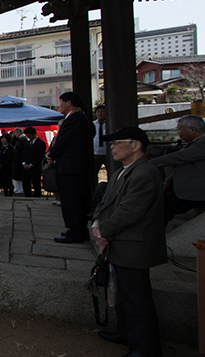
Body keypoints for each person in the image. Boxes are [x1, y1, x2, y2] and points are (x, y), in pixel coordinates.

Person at [92, 127, 166, 357]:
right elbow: (106, 203)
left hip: (134, 245)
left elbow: (129, 212)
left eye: (117, 142)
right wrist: (96, 222)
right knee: (122, 295)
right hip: (119, 243)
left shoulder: (145, 173)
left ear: (136, 145)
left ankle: (145, 348)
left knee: (137, 299)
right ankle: (125, 333)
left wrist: (102, 231)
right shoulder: (121, 172)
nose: (113, 146)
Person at [48, 92, 96, 244]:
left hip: (72, 167)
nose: (59, 105)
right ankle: (77, 229)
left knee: (72, 200)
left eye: (61, 102)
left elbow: (63, 140)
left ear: (69, 103)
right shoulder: (79, 118)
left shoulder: (76, 118)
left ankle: (76, 231)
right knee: (74, 200)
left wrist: (52, 154)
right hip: (73, 166)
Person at [149, 115, 205, 225]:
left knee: (163, 205)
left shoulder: (202, 143)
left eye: (179, 129)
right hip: (190, 188)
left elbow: (180, 157)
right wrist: (168, 181)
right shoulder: (196, 142)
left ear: (192, 129)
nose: (178, 132)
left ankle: (156, 236)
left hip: (196, 191)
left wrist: (147, 164)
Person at [22, 127, 47, 198]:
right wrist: (24, 163)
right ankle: (27, 195)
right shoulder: (27, 143)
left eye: (29, 135)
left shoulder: (41, 143)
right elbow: (24, 154)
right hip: (26, 165)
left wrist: (32, 164)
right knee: (26, 182)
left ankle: (37, 195)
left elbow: (40, 156)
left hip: (35, 167)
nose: (28, 137)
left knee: (36, 182)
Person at [92, 105, 110, 189]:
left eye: (102, 111)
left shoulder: (109, 124)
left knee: (110, 172)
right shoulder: (93, 124)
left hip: (107, 152)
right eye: (98, 112)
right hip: (96, 152)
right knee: (93, 172)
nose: (100, 113)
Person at [0, 134, 15, 203]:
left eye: (4, 139)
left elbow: (9, 158)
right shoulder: (1, 148)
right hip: (1, 167)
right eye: (2, 139)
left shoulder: (11, 148)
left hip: (7, 167)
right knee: (3, 180)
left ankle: (10, 192)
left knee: (8, 180)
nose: (3, 140)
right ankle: (5, 191)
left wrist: (3, 163)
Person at [12, 128, 29, 195]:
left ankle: (20, 188)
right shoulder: (22, 139)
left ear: (18, 132)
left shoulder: (22, 139)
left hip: (19, 160)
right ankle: (18, 188)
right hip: (18, 160)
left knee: (19, 175)